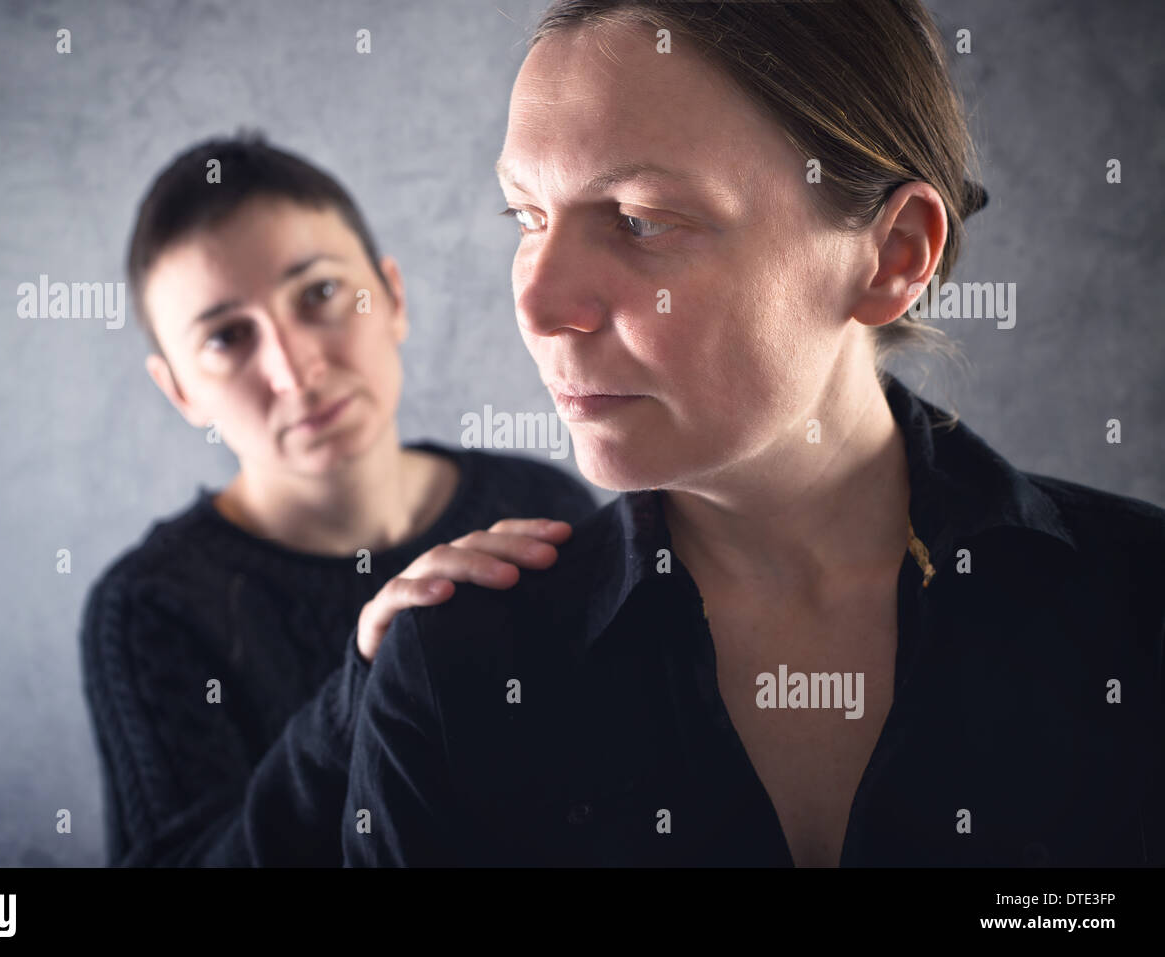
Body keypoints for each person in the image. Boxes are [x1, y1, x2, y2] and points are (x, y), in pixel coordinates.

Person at [343, 0, 1165, 867]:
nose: (539, 306)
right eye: (526, 217)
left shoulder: (1141, 612)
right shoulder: (455, 674)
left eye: (640, 219)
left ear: (892, 256)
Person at [79, 133, 599, 866]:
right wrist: (367, 690)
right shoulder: (147, 609)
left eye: (320, 293)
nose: (296, 370)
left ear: (391, 297)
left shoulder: (540, 501)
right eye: (228, 337)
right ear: (180, 391)